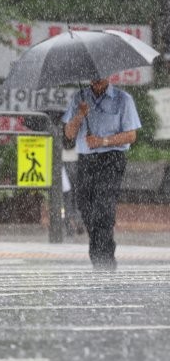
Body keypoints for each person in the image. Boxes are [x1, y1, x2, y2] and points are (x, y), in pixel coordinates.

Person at [62, 77, 141, 270]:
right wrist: (80, 115)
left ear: (109, 76)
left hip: (112, 159)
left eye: (101, 75)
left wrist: (103, 141)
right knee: (86, 207)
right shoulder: (79, 98)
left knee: (103, 209)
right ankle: (100, 250)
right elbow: (69, 134)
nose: (97, 80)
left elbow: (131, 135)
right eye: (93, 76)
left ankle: (104, 260)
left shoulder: (123, 99)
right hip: (86, 160)